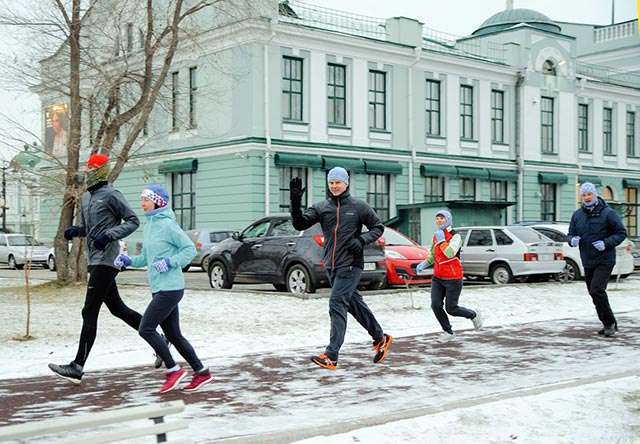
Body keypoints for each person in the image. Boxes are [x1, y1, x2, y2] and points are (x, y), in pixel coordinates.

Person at [48, 154, 142, 384]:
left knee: (89, 311)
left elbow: (132, 221)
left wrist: (109, 236)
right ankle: (160, 338)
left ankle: (77, 366)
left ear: (101, 170)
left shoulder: (112, 194)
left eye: (91, 167)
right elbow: (91, 228)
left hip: (106, 260)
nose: (87, 170)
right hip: (95, 259)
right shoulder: (87, 197)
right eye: (87, 167)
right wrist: (76, 231)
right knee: (118, 309)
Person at [289, 166, 392, 370]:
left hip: (351, 263)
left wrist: (361, 240)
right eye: (331, 182)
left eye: (338, 182)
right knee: (354, 304)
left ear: (346, 183)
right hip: (331, 264)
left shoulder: (358, 206)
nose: (334, 186)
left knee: (336, 304)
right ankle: (380, 337)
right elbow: (299, 224)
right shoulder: (321, 207)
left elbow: (378, 227)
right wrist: (295, 202)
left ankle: (331, 355)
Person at [114, 185, 213, 393]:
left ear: (158, 201)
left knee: (146, 328)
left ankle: (173, 370)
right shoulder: (149, 226)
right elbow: (146, 259)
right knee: (174, 335)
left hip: (171, 288)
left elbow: (188, 249)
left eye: (146, 200)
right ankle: (202, 372)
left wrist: (170, 262)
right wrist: (128, 260)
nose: (142, 204)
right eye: (142, 200)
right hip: (159, 288)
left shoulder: (168, 225)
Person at [568, 182, 627, 337]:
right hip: (588, 260)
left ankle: (609, 323)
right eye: (584, 195)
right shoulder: (577, 215)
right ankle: (609, 322)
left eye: (589, 194)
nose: (587, 198)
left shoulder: (608, 213)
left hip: (605, 259)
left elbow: (621, 233)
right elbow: (570, 233)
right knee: (593, 293)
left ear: (595, 195)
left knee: (597, 290)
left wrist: (606, 243)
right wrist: (572, 240)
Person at [416, 210, 482, 341]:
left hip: (453, 278)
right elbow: (434, 256)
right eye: (437, 218)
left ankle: (473, 314)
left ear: (448, 220)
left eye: (442, 218)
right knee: (435, 305)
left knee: (451, 309)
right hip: (438, 278)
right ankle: (448, 332)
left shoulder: (455, 236)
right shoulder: (436, 236)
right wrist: (424, 263)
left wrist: (442, 241)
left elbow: (450, 253)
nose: (439, 221)